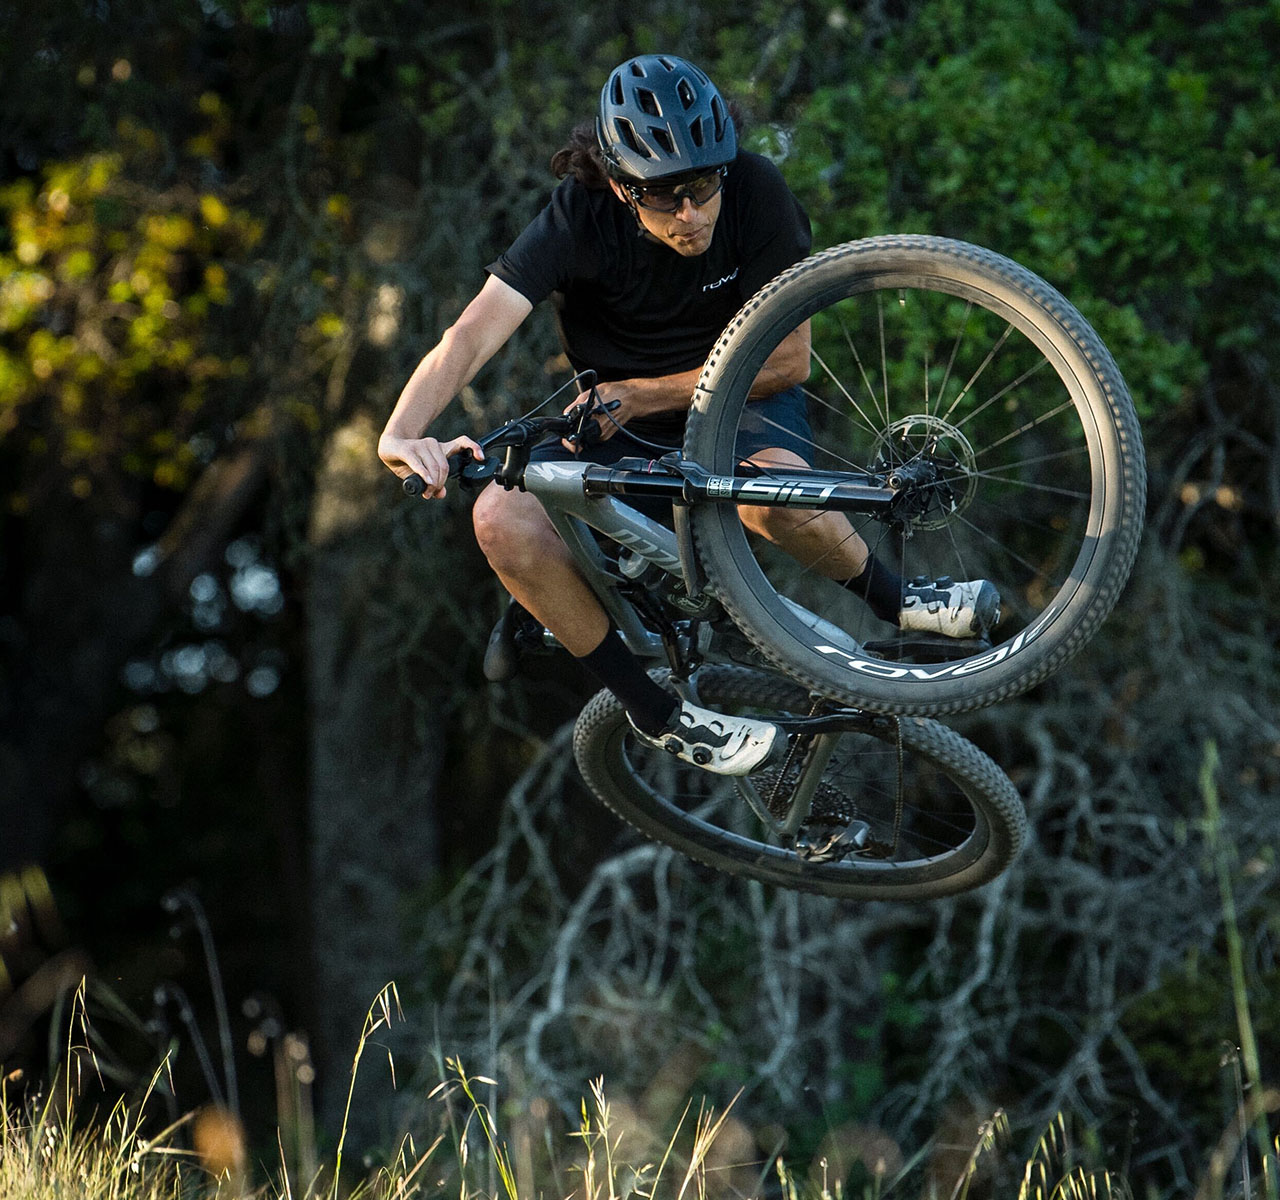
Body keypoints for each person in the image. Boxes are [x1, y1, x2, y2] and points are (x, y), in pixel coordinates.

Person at [379, 54, 998, 777]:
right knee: (499, 517)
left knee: (768, 495)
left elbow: (789, 362)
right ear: (621, 186)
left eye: (703, 188)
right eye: (663, 197)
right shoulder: (577, 218)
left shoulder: (756, 189)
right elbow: (471, 333)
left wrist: (646, 392)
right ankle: (656, 714)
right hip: (621, 429)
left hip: (743, 400)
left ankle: (896, 599)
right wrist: (400, 432)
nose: (691, 214)